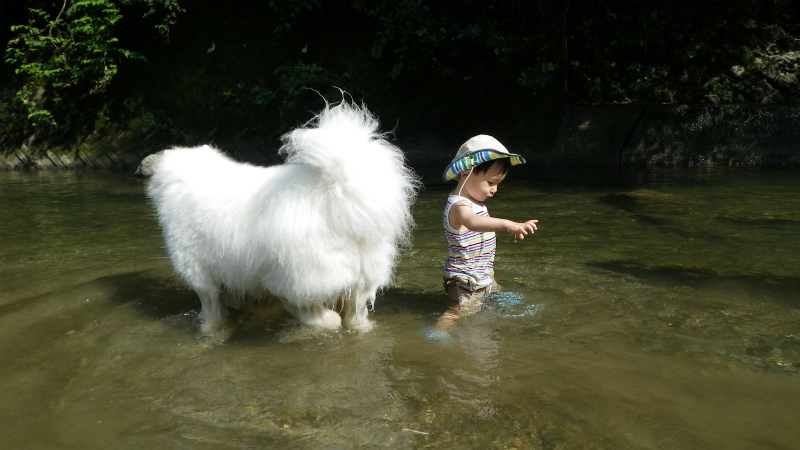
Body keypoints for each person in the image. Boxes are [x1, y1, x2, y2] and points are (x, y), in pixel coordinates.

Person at [440, 134, 538, 322]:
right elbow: (472, 222)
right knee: (457, 313)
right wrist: (508, 225)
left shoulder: (473, 202)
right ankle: (437, 333)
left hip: (483, 273)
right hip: (464, 279)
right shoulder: (459, 206)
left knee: (495, 296)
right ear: (465, 174)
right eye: (491, 183)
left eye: (498, 184)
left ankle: (497, 295)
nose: (494, 190)